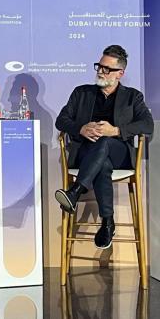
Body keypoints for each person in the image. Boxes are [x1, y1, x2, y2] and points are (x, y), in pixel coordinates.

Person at [55, 45, 153, 249]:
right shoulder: (82, 93)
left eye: (106, 68)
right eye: (99, 66)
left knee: (105, 141)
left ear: (120, 73)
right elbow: (61, 121)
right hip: (86, 153)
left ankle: (76, 190)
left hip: (119, 153)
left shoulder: (132, 97)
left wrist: (115, 131)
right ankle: (108, 222)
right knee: (103, 165)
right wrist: (81, 128)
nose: (100, 71)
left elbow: (147, 124)